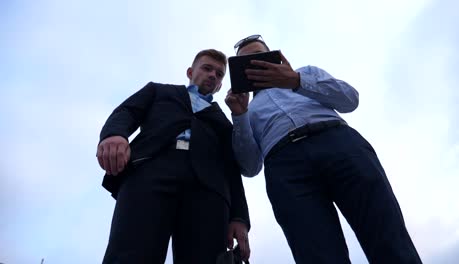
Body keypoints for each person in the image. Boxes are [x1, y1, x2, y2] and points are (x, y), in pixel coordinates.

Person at [225, 35, 422, 264]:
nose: (255, 63)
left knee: (387, 234)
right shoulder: (245, 108)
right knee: (316, 254)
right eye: (246, 61)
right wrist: (239, 116)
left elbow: (350, 99)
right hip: (285, 166)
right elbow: (250, 167)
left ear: (275, 58)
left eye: (260, 56)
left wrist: (296, 80)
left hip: (338, 142)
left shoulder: (306, 72)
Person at [96, 49, 250, 264]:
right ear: (190, 71)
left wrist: (239, 217)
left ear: (221, 85)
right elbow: (127, 111)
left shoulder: (224, 122)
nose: (213, 75)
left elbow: (232, 169)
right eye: (207, 68)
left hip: (209, 192)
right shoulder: (158, 91)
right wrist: (114, 135)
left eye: (219, 73)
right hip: (149, 175)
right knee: (130, 253)